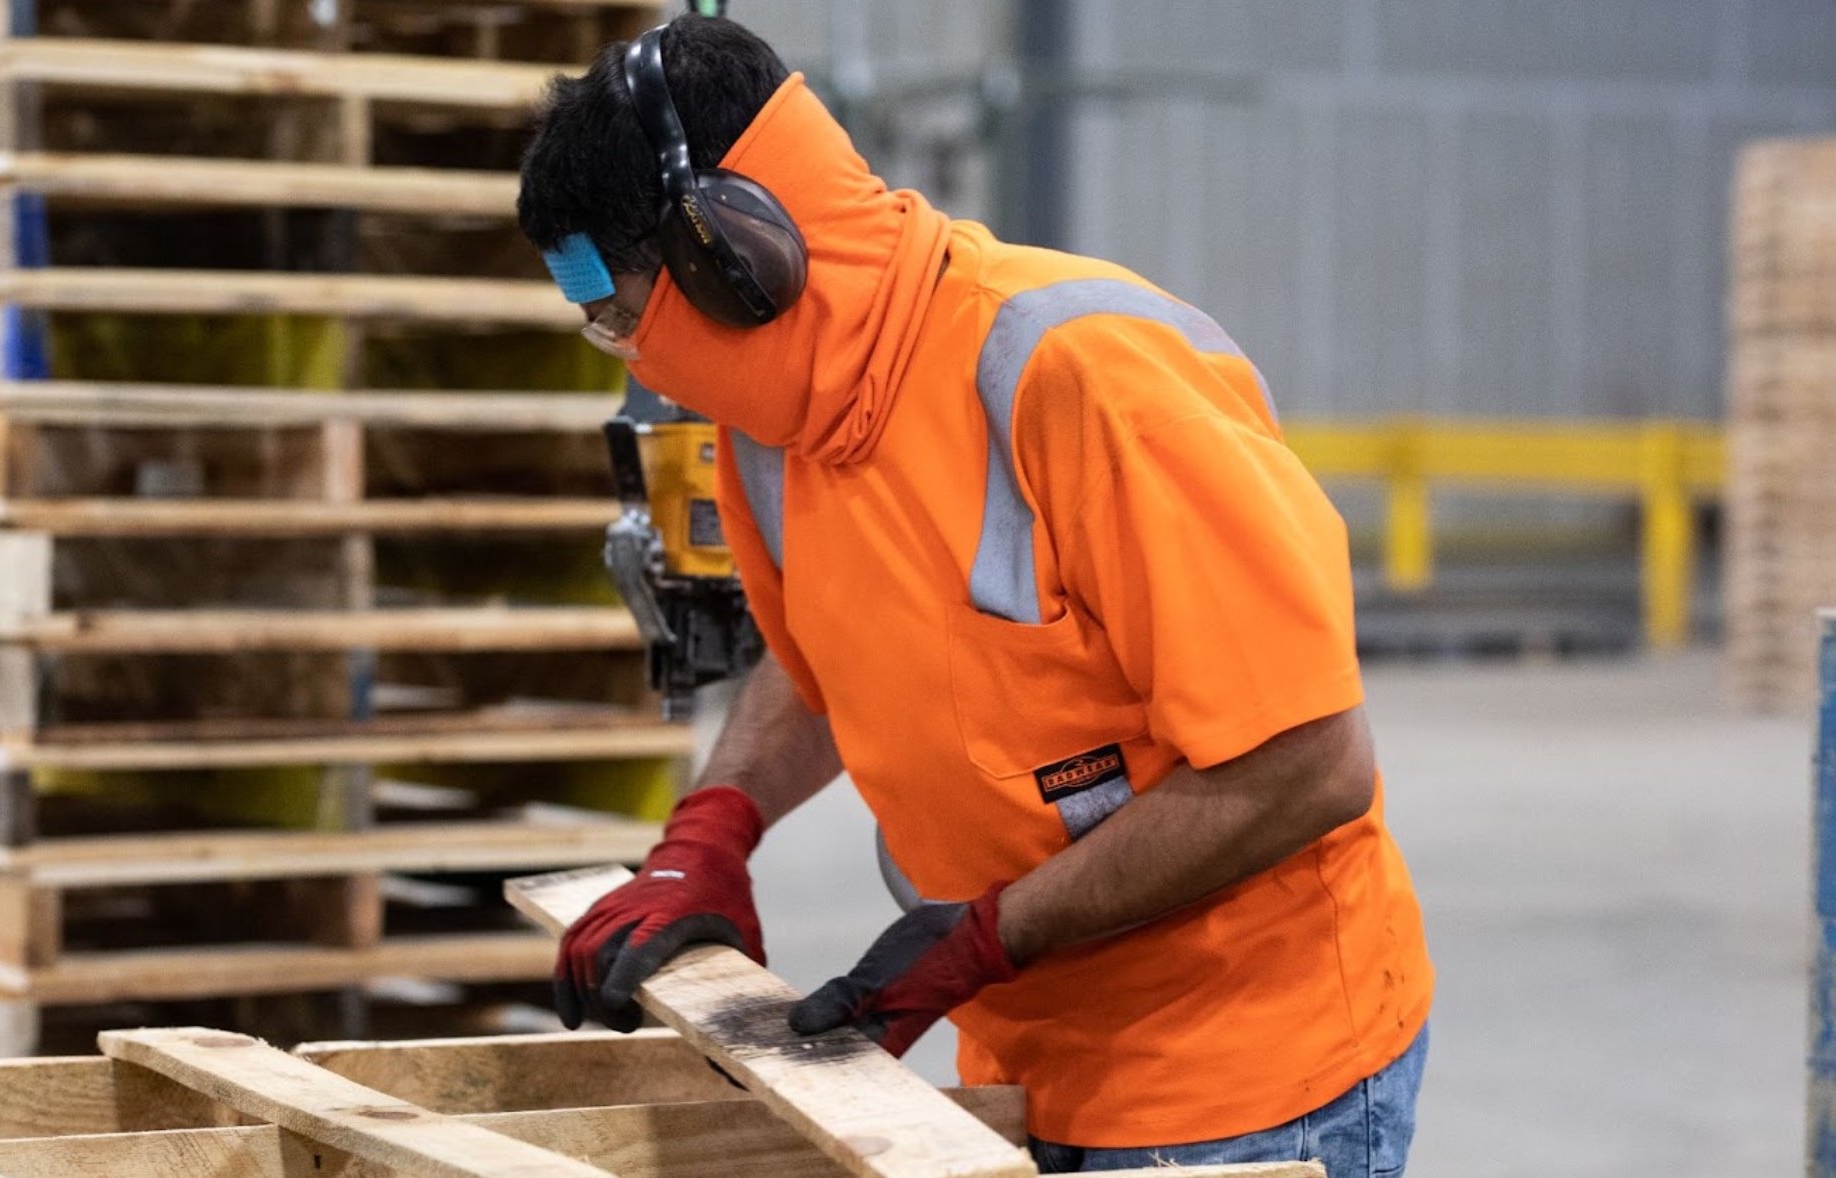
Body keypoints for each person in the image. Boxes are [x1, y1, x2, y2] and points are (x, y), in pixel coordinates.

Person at [515, 15, 1433, 1176]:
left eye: (622, 316)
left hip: (1250, 1072)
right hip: (1024, 1052)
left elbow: (1304, 761)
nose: (632, 360)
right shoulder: (775, 424)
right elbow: (826, 661)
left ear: (735, 257)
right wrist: (712, 834)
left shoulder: (1085, 375)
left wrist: (989, 935)